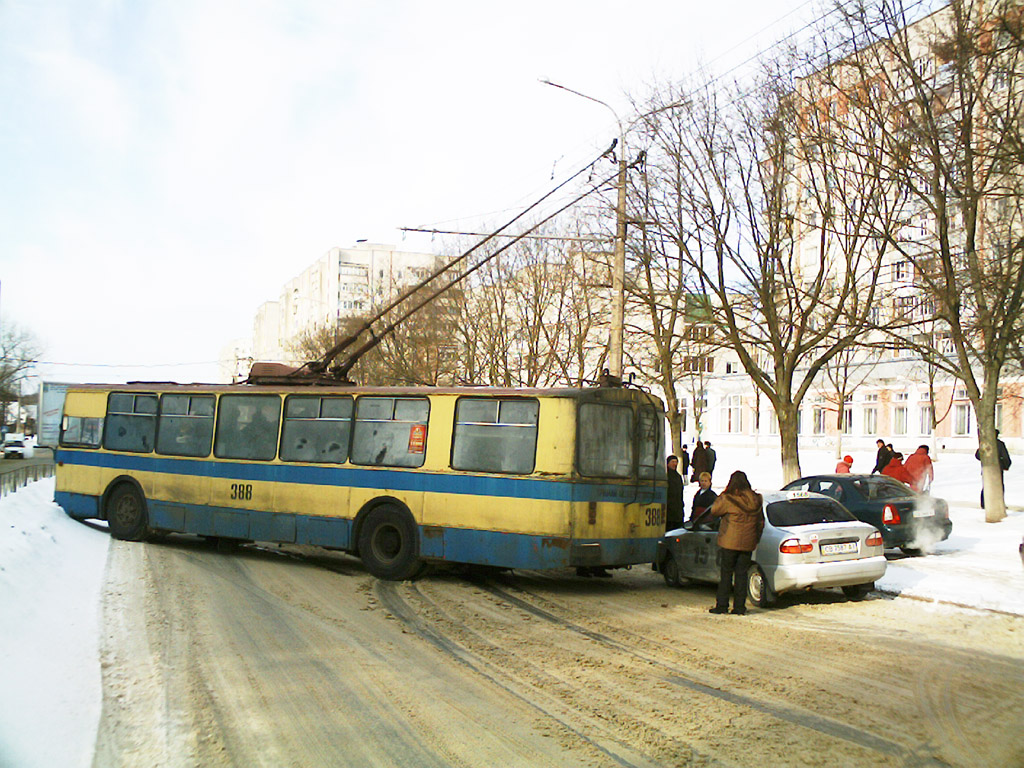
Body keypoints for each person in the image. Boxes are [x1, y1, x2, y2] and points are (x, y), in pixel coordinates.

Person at [709, 471, 764, 615]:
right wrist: (756, 538)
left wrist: (722, 496)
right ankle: (740, 608)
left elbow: (714, 511)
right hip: (748, 543)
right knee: (742, 575)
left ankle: (722, 605)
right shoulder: (756, 499)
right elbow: (760, 522)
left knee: (726, 574)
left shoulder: (728, 499)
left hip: (729, 542)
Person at [975, 430, 1012, 509]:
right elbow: (1006, 457)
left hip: (986, 469)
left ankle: (984, 504)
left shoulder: (985, 443)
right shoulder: (1000, 444)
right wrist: (1005, 465)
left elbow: (977, 455)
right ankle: (998, 503)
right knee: (999, 486)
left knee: (986, 486)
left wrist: (985, 459)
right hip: (998, 469)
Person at [666, 455, 685, 531]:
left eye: (676, 462)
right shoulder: (665, 476)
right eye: (672, 462)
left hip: (677, 510)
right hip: (669, 511)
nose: (675, 464)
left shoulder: (678, 476)